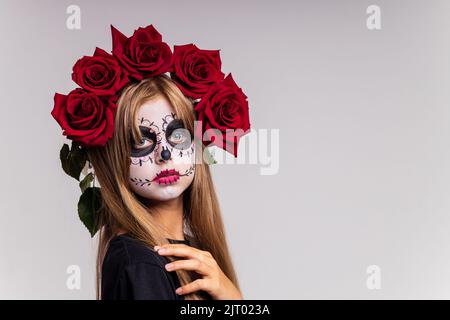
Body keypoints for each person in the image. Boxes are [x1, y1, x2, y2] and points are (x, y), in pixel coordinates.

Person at [51, 23, 250, 300]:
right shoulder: (140, 262)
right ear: (113, 159)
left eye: (177, 135)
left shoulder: (186, 255)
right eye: (141, 141)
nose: (164, 154)